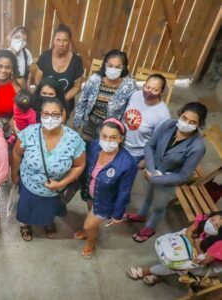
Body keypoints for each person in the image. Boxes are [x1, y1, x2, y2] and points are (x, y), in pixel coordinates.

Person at [127, 102, 207, 242]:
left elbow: (184, 175)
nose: (186, 123)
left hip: (168, 180)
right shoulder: (168, 125)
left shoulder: (197, 147)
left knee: (159, 206)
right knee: (147, 196)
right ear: (180, 114)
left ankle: (150, 228)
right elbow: (150, 146)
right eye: (184, 118)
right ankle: (142, 215)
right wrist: (151, 170)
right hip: (151, 170)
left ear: (199, 124)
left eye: (192, 122)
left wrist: (155, 179)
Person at [12, 97, 86, 241]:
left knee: (49, 210)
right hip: (30, 184)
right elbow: (16, 153)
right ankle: (25, 224)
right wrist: (13, 174)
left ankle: (47, 222)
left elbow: (79, 165)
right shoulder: (29, 133)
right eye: (46, 114)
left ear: (63, 115)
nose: (50, 119)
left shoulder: (74, 139)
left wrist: (62, 183)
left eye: (55, 114)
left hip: (55, 190)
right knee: (27, 207)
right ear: (40, 114)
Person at [74, 119, 137, 258]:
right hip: (90, 191)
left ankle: (90, 243)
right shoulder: (95, 146)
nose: (108, 141)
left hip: (105, 201)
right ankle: (89, 230)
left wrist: (118, 214)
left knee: (88, 225)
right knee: (90, 211)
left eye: (113, 137)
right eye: (104, 136)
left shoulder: (127, 163)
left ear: (120, 139)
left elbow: (124, 192)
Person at [128, 211, 222, 285]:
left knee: (178, 266)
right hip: (196, 247)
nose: (211, 224)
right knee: (175, 252)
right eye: (212, 219)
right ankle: (158, 273)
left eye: (217, 226)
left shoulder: (219, 244)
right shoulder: (205, 218)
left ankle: (146, 270)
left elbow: (204, 261)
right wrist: (193, 246)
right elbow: (189, 231)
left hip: (211, 266)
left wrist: (196, 243)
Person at [74, 49, 136, 143]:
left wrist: (122, 130)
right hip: (90, 123)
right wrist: (78, 120)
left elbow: (130, 110)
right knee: (84, 148)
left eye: (117, 67)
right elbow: (83, 100)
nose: (113, 69)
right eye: (110, 66)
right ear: (105, 65)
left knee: (101, 152)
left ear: (123, 68)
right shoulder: (95, 79)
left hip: (111, 129)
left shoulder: (129, 85)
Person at [33, 24, 83, 114]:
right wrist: (45, 96)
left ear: (70, 42)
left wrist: (61, 100)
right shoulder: (45, 56)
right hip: (44, 100)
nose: (61, 44)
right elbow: (37, 79)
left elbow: (77, 86)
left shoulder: (76, 61)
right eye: (58, 40)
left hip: (65, 102)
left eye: (65, 40)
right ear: (54, 41)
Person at [123, 74, 171, 166]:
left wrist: (146, 160)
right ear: (144, 85)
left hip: (135, 154)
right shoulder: (135, 95)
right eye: (147, 87)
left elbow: (160, 141)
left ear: (161, 92)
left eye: (155, 90)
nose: (149, 91)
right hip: (119, 143)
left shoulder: (163, 115)